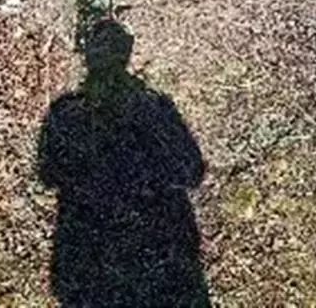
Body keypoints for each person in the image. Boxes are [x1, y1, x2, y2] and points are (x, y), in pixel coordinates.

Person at [37, 18, 210, 307]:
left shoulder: (65, 114)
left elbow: (48, 174)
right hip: (156, 263)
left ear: (87, 56)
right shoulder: (154, 108)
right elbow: (191, 171)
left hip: (93, 264)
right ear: (126, 54)